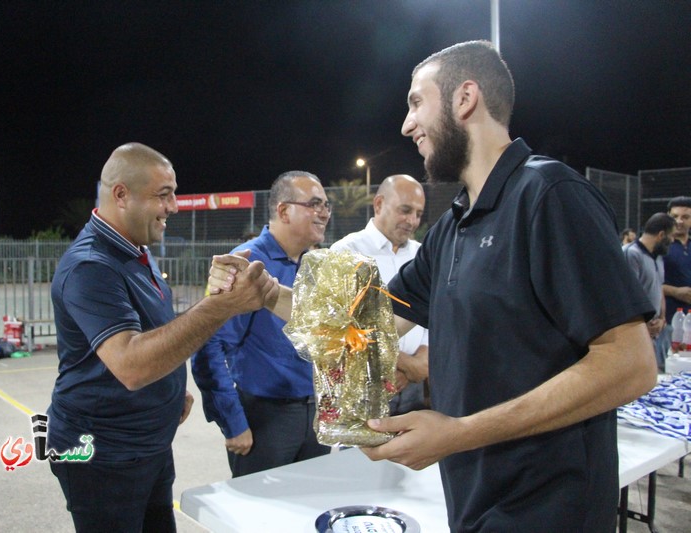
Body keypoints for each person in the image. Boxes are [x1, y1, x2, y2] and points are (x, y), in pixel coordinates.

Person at [208, 41, 656, 531]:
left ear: (465, 99)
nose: (406, 124)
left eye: (416, 102)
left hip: (549, 508)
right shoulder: (452, 228)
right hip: (473, 499)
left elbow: (629, 366)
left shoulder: (549, 195)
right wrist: (267, 291)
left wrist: (459, 433)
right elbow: (360, 322)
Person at [46, 142, 276, 533]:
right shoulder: (90, 266)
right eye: (163, 195)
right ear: (122, 195)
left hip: (146, 445)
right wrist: (221, 306)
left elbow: (152, 331)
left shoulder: (134, 249)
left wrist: (170, 385)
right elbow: (132, 365)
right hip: (104, 455)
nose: (173, 207)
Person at [191, 171, 332, 477]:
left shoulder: (317, 265)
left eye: (326, 206)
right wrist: (233, 422)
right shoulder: (246, 264)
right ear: (283, 210)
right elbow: (208, 344)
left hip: (316, 418)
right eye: (315, 204)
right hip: (265, 420)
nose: (324, 213)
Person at [330, 174, 429, 414]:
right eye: (405, 210)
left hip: (414, 388)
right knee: (360, 454)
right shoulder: (347, 251)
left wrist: (422, 364)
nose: (412, 221)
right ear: (378, 204)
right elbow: (337, 326)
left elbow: (432, 318)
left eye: (418, 214)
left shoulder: (423, 255)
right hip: (363, 387)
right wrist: (406, 364)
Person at [622, 214, 676, 370]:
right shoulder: (630, 254)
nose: (672, 240)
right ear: (661, 235)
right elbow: (626, 296)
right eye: (671, 236)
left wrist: (662, 318)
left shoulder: (658, 258)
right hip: (634, 333)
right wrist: (640, 325)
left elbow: (659, 289)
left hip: (653, 331)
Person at [660, 196, 691, 356]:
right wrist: (676, 291)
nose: (679, 221)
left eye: (685, 217)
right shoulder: (659, 247)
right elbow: (645, 284)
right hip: (669, 322)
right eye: (675, 216)